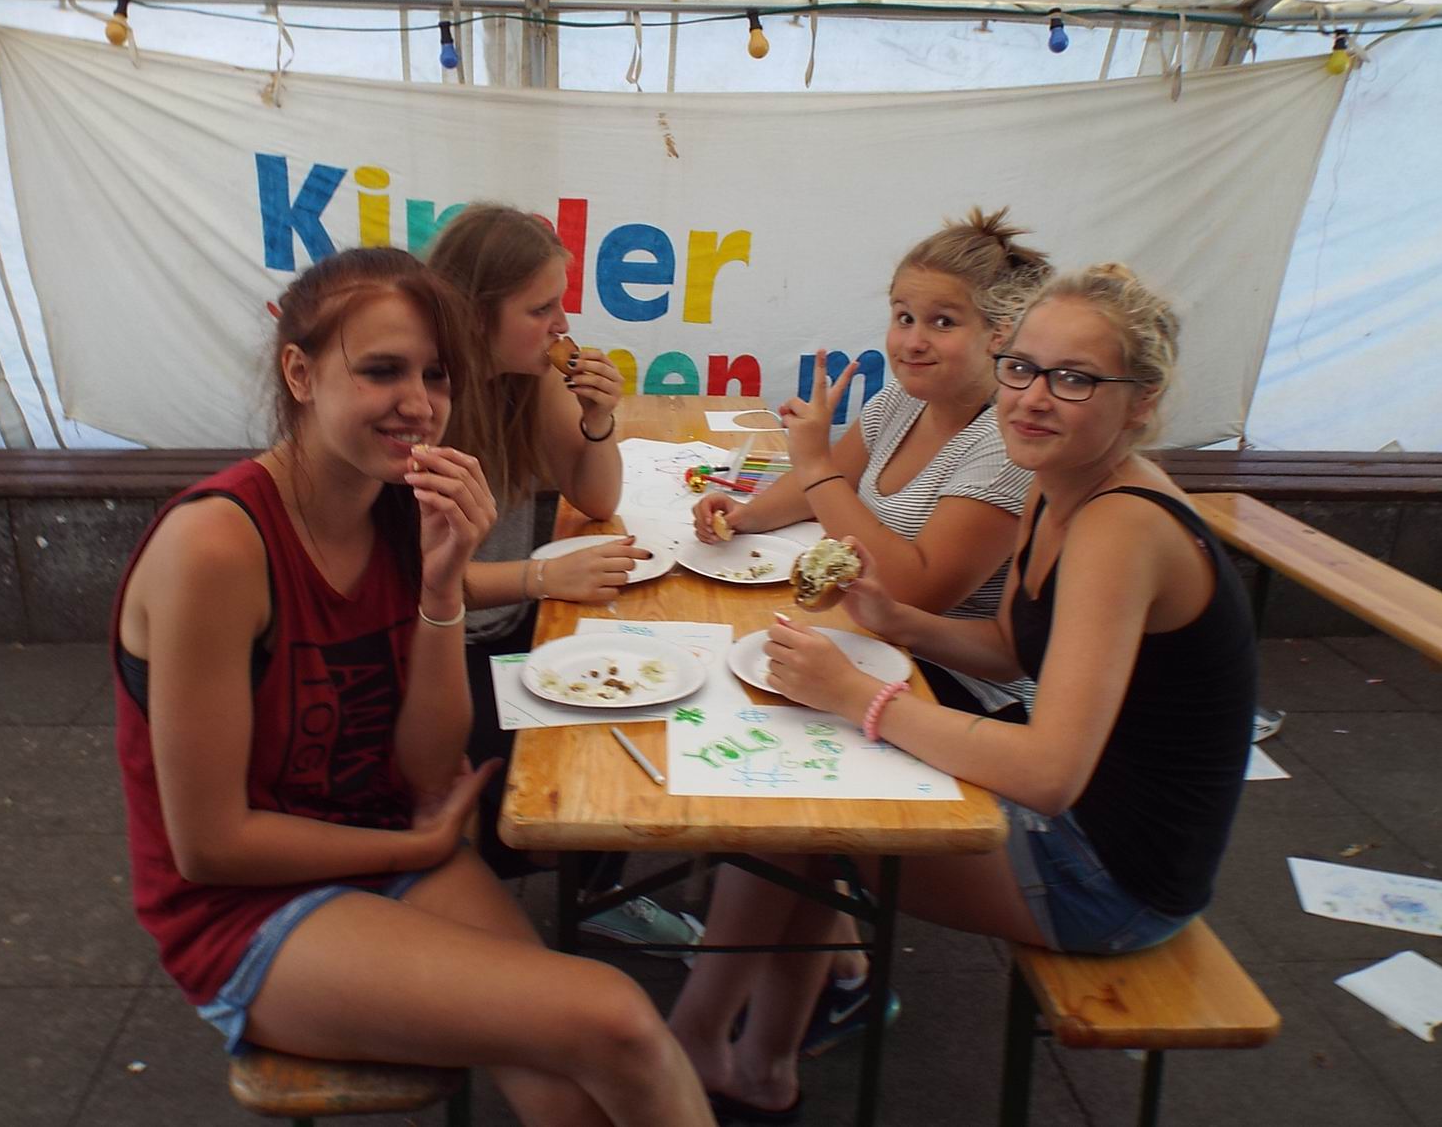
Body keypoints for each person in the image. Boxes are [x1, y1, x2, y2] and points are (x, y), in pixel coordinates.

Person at [113, 246, 715, 1126]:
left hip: (383, 839)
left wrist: (442, 589)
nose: (419, 402)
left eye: (435, 375)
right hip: (244, 911)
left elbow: (427, 771)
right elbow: (210, 847)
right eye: (381, 370)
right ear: (300, 373)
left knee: (572, 1087)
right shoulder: (217, 547)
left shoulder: (396, 506)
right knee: (617, 1018)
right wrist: (410, 848)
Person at [668, 264, 1257, 1122]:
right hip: (1088, 818)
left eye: (1073, 378)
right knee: (797, 804)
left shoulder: (1121, 525)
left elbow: (1049, 772)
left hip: (1113, 875)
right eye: (1021, 369)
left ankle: (716, 1050)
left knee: (798, 821)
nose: (1031, 399)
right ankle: (753, 1060)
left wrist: (858, 698)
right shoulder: (1056, 480)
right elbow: (1009, 649)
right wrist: (894, 620)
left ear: (1141, 402)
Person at [427, 204, 698, 952]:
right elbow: (412, 584)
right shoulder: (423, 403)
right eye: (540, 308)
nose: (562, 325)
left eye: (561, 304)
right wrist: (542, 576)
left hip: (505, 622)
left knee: (632, 702)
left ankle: (592, 889)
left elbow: (597, 498)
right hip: (434, 645)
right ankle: (495, 898)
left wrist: (599, 420)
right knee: (555, 770)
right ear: (474, 313)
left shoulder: (525, 378)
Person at [692, 207, 1052, 721]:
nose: (913, 342)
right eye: (903, 317)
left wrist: (814, 464)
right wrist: (742, 517)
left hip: (963, 690)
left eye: (943, 322)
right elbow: (821, 486)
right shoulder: (900, 401)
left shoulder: (1004, 445)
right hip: (874, 645)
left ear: (999, 334)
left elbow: (913, 591)